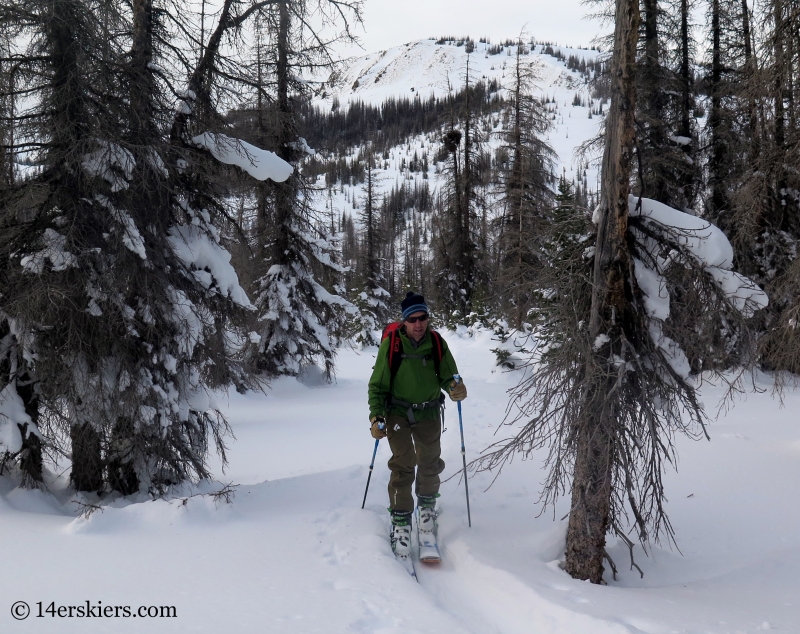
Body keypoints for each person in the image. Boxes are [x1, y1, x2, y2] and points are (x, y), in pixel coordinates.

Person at [367, 291, 467, 560]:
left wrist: (456, 388)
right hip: (397, 412)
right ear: (404, 321)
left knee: (429, 461)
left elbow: (450, 375)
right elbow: (377, 385)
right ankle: (401, 520)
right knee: (403, 462)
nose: (418, 323)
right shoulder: (392, 345)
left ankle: (426, 509)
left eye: (422, 317)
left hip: (430, 411)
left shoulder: (435, 342)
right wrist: (376, 417)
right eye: (413, 319)